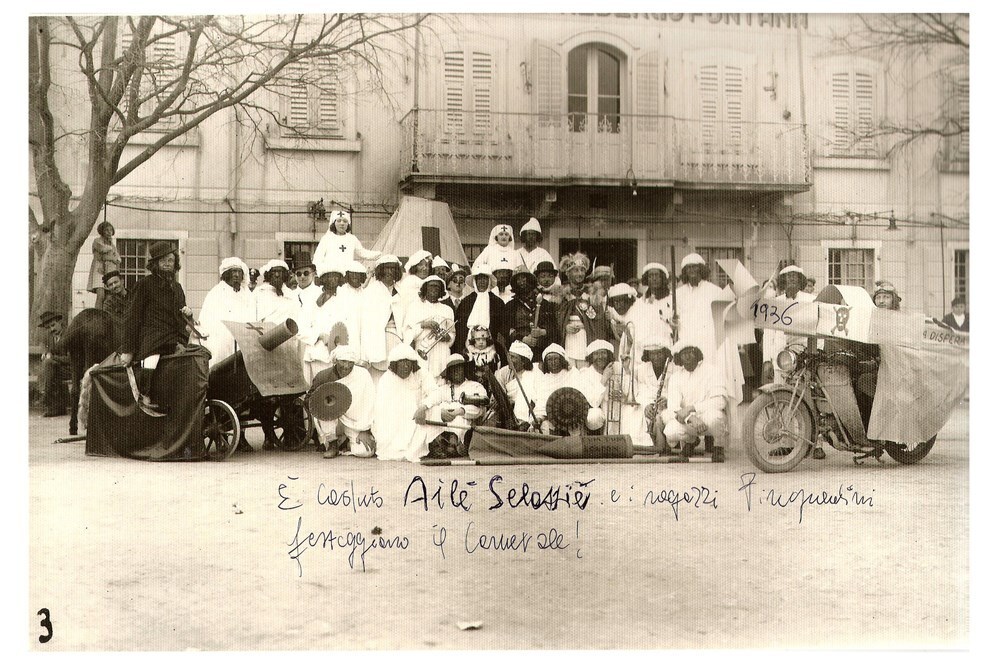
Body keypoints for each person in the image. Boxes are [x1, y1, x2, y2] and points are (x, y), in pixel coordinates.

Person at [118, 241, 191, 414]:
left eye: (171, 260)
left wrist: (187, 314)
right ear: (155, 263)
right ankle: (145, 394)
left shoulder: (177, 287)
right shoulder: (144, 285)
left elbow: (180, 315)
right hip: (152, 335)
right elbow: (132, 317)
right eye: (163, 260)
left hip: (175, 335)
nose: (167, 264)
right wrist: (127, 350)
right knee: (153, 356)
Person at [661, 340, 728, 462]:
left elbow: (720, 401)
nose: (687, 356)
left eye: (690, 352)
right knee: (670, 431)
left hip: (708, 417)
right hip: (689, 420)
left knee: (716, 419)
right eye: (683, 353)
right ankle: (691, 441)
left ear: (697, 353)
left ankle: (718, 446)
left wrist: (692, 408)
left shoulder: (712, 371)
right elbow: (673, 407)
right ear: (678, 358)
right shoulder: (675, 378)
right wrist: (691, 418)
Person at [373, 343, 436, 462]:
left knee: (434, 407)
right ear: (394, 364)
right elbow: (381, 411)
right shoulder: (386, 379)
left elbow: (436, 393)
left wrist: (423, 407)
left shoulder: (421, 374)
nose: (406, 366)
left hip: (418, 419)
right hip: (394, 423)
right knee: (390, 449)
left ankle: (435, 444)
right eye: (402, 362)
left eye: (409, 362)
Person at [312, 346, 376, 459]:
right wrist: (330, 405)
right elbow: (311, 400)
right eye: (343, 361)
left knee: (365, 452)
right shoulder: (323, 376)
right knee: (323, 411)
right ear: (336, 361)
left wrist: (364, 430)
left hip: (356, 423)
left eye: (350, 362)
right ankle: (333, 444)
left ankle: (346, 443)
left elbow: (370, 402)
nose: (346, 366)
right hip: (333, 418)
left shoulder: (363, 375)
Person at [424, 353, 488, 458]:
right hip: (444, 420)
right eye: (453, 370)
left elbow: (479, 409)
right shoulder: (443, 388)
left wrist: (459, 411)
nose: (457, 372)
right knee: (434, 412)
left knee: (459, 420)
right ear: (449, 373)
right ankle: (439, 443)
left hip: (464, 420)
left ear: (464, 369)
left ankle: (453, 444)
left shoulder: (475, 386)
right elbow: (431, 400)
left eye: (459, 368)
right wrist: (440, 411)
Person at [558, 251, 612, 369]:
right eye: (576, 270)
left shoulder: (593, 294)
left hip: (586, 339)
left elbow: (598, 322)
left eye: (582, 270)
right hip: (568, 339)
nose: (580, 273)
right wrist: (565, 327)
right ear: (568, 273)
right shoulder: (561, 295)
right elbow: (557, 319)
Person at [198, 257, 255, 368]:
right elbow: (208, 320)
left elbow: (252, 317)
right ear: (226, 274)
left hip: (243, 341)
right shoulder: (216, 293)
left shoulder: (247, 295)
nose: (236, 275)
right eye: (233, 271)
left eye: (239, 271)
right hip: (221, 342)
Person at [360, 254, 405, 385]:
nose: (390, 272)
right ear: (381, 270)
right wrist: (366, 354)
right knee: (377, 382)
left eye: (393, 269)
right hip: (378, 342)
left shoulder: (400, 291)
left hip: (397, 340)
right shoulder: (371, 292)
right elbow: (367, 324)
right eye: (387, 268)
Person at [299, 260, 347, 385]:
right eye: (329, 276)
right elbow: (301, 329)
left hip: (338, 356)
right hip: (315, 355)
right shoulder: (312, 300)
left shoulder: (346, 301)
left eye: (336, 276)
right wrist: (320, 335)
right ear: (323, 279)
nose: (332, 280)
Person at [402, 275, 454, 378]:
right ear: (425, 288)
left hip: (441, 351)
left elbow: (452, 333)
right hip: (422, 350)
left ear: (441, 291)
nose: (434, 289)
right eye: (431, 286)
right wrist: (423, 325)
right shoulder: (414, 307)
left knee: (441, 381)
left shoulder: (447, 309)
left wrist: (447, 337)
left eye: (437, 287)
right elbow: (407, 333)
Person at [504, 266, 559, 362]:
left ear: (530, 279)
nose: (522, 282)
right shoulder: (510, 306)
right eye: (518, 279)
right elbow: (506, 330)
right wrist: (523, 339)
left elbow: (555, 328)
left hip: (541, 352)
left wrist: (542, 332)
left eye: (524, 278)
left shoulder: (545, 304)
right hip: (519, 354)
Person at [453, 264, 507, 357]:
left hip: (491, 348)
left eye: (485, 279)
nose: (482, 282)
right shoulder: (466, 302)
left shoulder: (498, 303)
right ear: (475, 281)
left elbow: (502, 328)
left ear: (489, 281)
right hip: (468, 347)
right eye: (479, 279)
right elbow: (459, 327)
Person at [630, 342, 673, 451]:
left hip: (668, 405)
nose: (656, 357)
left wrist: (668, 400)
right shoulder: (641, 369)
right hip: (649, 404)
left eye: (659, 353)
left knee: (662, 419)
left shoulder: (673, 368)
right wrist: (645, 406)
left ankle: (666, 444)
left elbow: (678, 390)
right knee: (637, 416)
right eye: (652, 354)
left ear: (665, 353)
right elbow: (638, 391)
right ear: (648, 355)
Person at [628, 263, 674, 354]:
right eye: (650, 276)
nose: (654, 278)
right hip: (645, 347)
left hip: (665, 346)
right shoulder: (640, 302)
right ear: (646, 279)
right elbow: (633, 325)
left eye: (657, 275)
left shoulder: (671, 299)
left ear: (662, 278)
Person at [571, 339, 615, 433]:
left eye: (603, 353)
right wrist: (604, 378)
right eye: (596, 354)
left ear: (608, 355)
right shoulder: (585, 373)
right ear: (591, 357)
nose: (600, 357)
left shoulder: (615, 369)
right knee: (594, 416)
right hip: (597, 411)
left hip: (614, 408)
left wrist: (627, 370)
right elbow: (593, 402)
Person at [313, 209, 380, 270]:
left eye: (345, 221)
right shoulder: (327, 238)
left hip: (348, 273)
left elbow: (363, 253)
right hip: (331, 273)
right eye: (339, 221)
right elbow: (318, 257)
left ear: (348, 224)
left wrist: (380, 254)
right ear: (334, 223)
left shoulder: (352, 238)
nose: (342, 223)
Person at [495, 339, 540, 429]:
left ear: (523, 361)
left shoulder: (533, 374)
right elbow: (499, 394)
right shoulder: (503, 372)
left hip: (528, 413)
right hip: (506, 411)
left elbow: (535, 399)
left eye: (513, 357)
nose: (509, 359)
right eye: (509, 356)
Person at [533, 343, 576, 433]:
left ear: (561, 360)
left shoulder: (572, 374)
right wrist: (539, 418)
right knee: (544, 428)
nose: (553, 362)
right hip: (550, 419)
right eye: (549, 359)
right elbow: (541, 403)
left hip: (571, 418)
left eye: (556, 358)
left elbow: (578, 399)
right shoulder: (544, 379)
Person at [37, 311, 72, 417]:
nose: (52, 329)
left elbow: (71, 359)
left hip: (71, 369)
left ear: (60, 322)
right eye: (48, 327)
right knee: (49, 367)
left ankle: (44, 395)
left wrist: (52, 357)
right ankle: (56, 408)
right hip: (56, 370)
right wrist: (45, 353)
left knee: (48, 364)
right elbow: (44, 346)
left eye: (53, 325)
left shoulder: (69, 335)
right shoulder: (49, 336)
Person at [337, 260, 369, 361]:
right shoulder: (340, 292)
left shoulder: (366, 294)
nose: (355, 276)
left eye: (357, 274)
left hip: (362, 337)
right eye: (352, 274)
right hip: (346, 337)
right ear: (347, 275)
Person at [255, 259, 301, 325]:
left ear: (284, 275)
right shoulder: (259, 293)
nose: (277, 275)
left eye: (280, 272)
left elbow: (297, 317)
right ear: (269, 274)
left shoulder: (291, 295)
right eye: (274, 271)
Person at [88, 221, 121, 310]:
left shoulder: (112, 244)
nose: (109, 232)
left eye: (111, 230)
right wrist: (112, 258)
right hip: (99, 270)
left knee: (109, 295)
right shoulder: (97, 241)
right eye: (106, 230)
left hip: (109, 270)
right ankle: (97, 315)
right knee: (101, 294)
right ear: (102, 231)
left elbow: (117, 258)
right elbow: (101, 255)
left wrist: (114, 260)